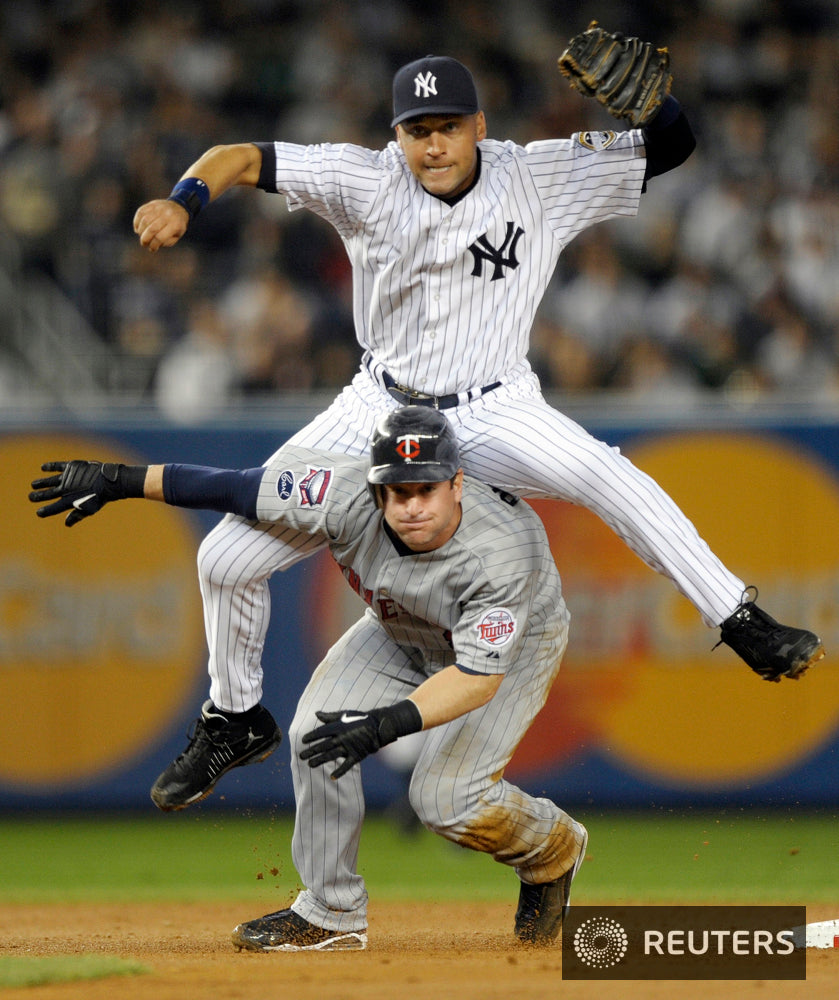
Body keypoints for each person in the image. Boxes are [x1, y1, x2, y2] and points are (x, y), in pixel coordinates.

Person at [131, 47, 824, 811]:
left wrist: (655, 109)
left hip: (496, 407)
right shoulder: (363, 177)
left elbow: (670, 147)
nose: (433, 145)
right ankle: (234, 718)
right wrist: (184, 200)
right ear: (396, 135)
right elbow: (236, 156)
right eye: (416, 129)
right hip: (375, 406)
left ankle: (740, 619)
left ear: (479, 127)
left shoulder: (536, 175)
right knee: (226, 559)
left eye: (448, 127)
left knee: (610, 477)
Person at [30, 406, 589, 950]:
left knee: (444, 803)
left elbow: (474, 679)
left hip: (510, 653)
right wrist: (118, 479)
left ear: (457, 484)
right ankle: (330, 912)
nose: (413, 505)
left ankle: (551, 849)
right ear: (376, 490)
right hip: (401, 629)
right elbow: (234, 488)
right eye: (398, 491)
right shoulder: (342, 493)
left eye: (427, 489)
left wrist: (382, 725)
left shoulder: (503, 552)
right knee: (312, 737)